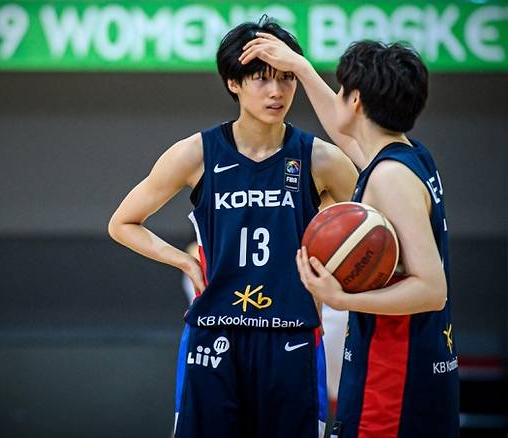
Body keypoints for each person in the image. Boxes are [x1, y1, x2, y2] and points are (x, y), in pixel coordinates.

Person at [108, 17, 358, 438]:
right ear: (233, 83)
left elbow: (369, 227)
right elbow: (123, 223)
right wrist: (183, 263)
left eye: (286, 78)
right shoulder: (195, 153)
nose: (277, 91)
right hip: (215, 333)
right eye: (261, 79)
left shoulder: (321, 159)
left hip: (292, 335)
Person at [240, 37, 460, 436]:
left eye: (342, 91)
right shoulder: (407, 155)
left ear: (356, 100)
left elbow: (432, 289)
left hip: (395, 374)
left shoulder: (390, 177)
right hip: (413, 364)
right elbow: (348, 137)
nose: (337, 97)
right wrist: (303, 70)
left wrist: (341, 299)